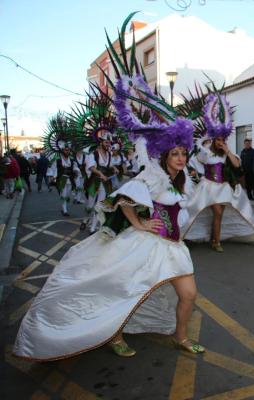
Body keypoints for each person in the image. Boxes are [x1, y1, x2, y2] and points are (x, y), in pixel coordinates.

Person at [12, 21, 205, 359]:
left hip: (174, 248)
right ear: (164, 154)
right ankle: (113, 333)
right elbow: (122, 199)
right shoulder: (152, 177)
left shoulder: (182, 178)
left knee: (188, 295)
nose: (180, 157)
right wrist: (140, 224)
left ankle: (181, 337)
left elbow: (183, 209)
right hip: (146, 246)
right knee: (123, 292)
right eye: (175, 153)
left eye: (183, 152)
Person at [183, 94, 254, 251]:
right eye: (218, 140)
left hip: (224, 187)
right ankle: (215, 241)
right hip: (209, 187)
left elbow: (237, 166)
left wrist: (227, 150)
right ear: (213, 141)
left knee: (219, 214)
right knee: (216, 212)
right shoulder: (206, 153)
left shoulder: (226, 153)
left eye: (222, 140)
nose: (220, 142)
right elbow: (193, 161)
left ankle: (215, 239)